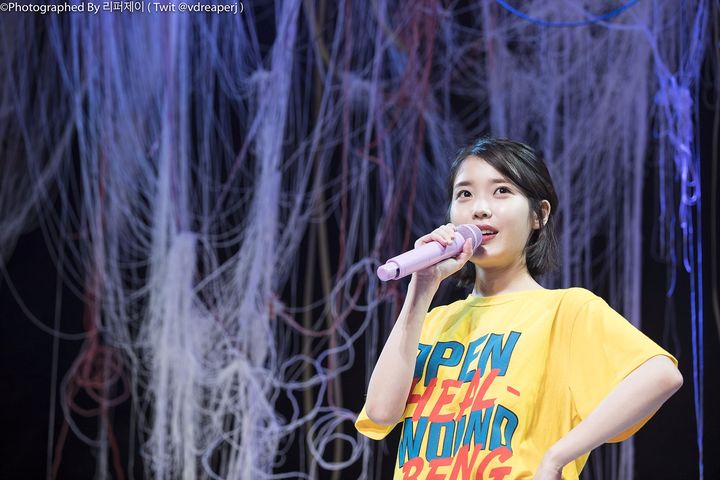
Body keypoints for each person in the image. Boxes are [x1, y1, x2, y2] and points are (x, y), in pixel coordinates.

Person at [355, 137, 683, 479]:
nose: (480, 208)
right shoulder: (433, 322)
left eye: (502, 191)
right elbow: (380, 412)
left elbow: (660, 374)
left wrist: (557, 456)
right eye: (464, 194)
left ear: (539, 214)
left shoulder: (565, 310)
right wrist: (422, 288)